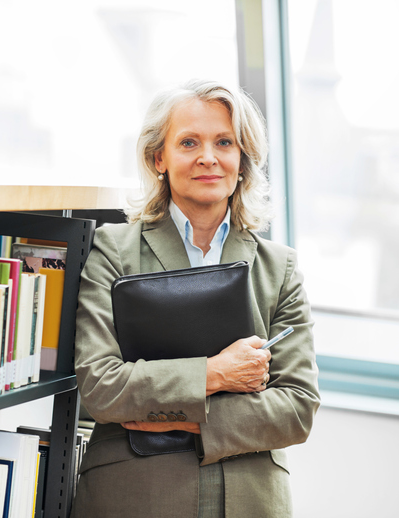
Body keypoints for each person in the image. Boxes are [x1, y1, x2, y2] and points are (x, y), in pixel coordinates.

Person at [71, 79, 320, 518]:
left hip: (250, 498)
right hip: (135, 493)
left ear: (242, 160)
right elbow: (100, 388)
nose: (208, 157)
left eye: (224, 142)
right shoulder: (111, 250)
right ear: (158, 158)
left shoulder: (279, 267)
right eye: (189, 142)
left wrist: (182, 417)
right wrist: (217, 373)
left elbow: (297, 407)